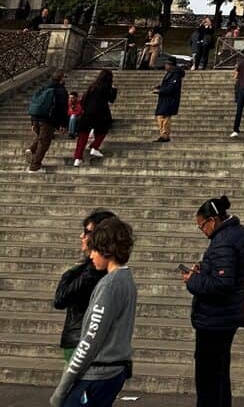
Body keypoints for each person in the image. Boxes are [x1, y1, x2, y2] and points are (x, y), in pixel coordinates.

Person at [50, 216, 137, 407]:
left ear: (107, 250)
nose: (91, 256)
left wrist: (61, 389)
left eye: (95, 250)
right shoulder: (126, 280)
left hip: (98, 373)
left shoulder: (109, 285)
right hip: (114, 370)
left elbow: (89, 340)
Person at [183, 196, 244, 407]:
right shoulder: (236, 234)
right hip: (225, 316)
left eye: (202, 225)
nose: (202, 230)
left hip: (215, 319)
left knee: (208, 380)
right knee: (220, 375)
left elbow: (222, 283)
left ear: (212, 220)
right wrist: (204, 270)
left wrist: (193, 280)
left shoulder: (224, 240)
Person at [54, 210, 116, 361]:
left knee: (72, 384)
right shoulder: (100, 269)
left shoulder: (92, 272)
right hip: (87, 341)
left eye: (87, 232)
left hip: (80, 342)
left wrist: (71, 272)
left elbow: (60, 299)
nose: (82, 236)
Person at [26, 69, 68, 173]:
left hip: (37, 117)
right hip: (48, 120)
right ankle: (34, 167)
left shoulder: (45, 87)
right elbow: (63, 109)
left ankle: (31, 150)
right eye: (64, 77)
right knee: (44, 142)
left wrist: (33, 120)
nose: (65, 79)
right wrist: (63, 124)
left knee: (41, 138)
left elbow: (36, 102)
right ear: (61, 78)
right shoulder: (61, 90)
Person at [73, 69, 118, 167]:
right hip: (101, 113)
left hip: (87, 114)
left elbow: (83, 100)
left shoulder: (92, 86)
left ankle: (77, 158)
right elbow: (111, 99)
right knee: (102, 131)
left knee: (82, 136)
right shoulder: (106, 87)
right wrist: (114, 89)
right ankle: (94, 147)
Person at [152, 55, 185, 142]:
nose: (165, 66)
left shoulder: (175, 74)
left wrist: (160, 91)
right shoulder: (170, 73)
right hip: (165, 98)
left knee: (165, 116)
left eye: (166, 64)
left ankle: (165, 135)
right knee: (161, 116)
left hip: (170, 99)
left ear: (170, 65)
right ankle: (163, 134)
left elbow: (172, 87)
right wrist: (160, 87)